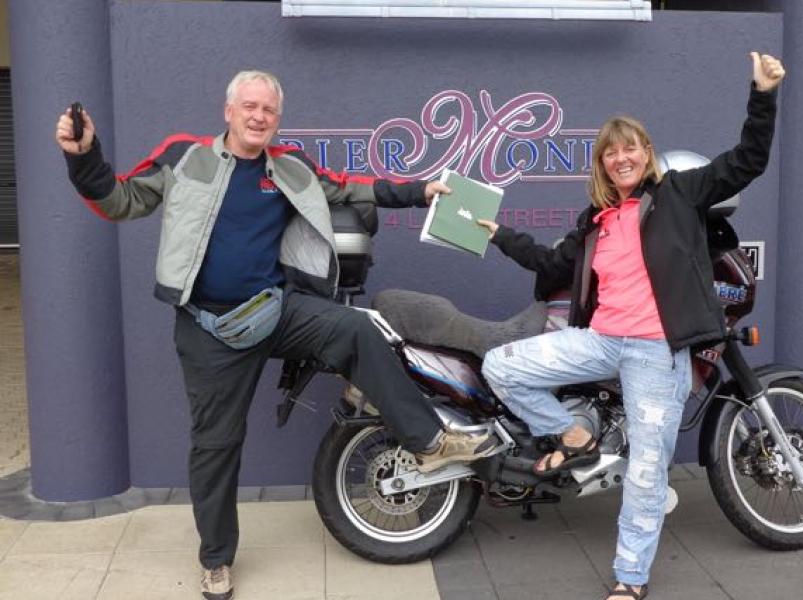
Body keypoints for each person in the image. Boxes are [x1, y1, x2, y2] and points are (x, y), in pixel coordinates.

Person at [55, 70, 496, 600]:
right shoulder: (185, 157)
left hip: (276, 310)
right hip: (208, 328)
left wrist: (422, 191)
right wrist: (84, 157)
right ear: (228, 111)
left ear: (276, 119)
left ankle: (428, 441)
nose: (258, 116)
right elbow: (119, 200)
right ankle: (216, 560)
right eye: (249, 106)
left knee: (358, 329)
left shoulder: (289, 167)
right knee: (216, 445)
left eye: (268, 109)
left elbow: (354, 188)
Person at [478, 52, 785, 600]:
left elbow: (747, 160)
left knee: (646, 471)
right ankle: (574, 433)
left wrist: (762, 94)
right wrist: (499, 234)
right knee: (501, 364)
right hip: (599, 343)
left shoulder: (680, 195)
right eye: (610, 152)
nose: (621, 158)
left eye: (631, 148)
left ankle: (630, 579)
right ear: (601, 164)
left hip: (652, 353)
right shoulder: (595, 220)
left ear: (646, 153)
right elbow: (553, 267)